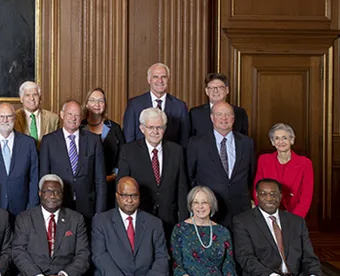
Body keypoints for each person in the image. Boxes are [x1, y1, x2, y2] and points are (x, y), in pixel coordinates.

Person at [118, 107, 188, 236]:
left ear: (165, 128)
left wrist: (184, 222)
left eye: (159, 127)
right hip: (139, 217)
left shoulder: (176, 151)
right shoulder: (129, 151)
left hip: (169, 218)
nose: (155, 132)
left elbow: (182, 189)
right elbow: (122, 187)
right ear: (142, 128)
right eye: (151, 127)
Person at [187, 101, 255, 229]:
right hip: (210, 210)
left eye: (227, 114)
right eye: (219, 114)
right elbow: (191, 176)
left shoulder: (247, 143)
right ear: (212, 118)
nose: (224, 118)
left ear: (233, 118)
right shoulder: (196, 143)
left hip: (240, 209)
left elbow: (250, 174)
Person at [39, 100, 106, 221]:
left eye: (77, 115)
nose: (73, 118)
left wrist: (100, 212)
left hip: (87, 206)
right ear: (62, 115)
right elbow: (44, 178)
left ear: (81, 118)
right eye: (70, 114)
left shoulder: (94, 141)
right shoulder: (48, 141)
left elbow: (100, 180)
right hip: (58, 204)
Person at [254, 123, 313, 218]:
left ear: (292, 140)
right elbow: (257, 189)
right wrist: (263, 213)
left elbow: (306, 195)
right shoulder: (264, 160)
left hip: (294, 213)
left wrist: (295, 219)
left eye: (285, 138)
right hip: (268, 212)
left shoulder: (305, 163)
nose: (280, 141)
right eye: (276, 138)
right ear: (272, 142)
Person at [123, 63, 190, 148]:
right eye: (155, 77)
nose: (160, 80)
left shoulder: (180, 106)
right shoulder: (134, 104)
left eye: (164, 77)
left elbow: (184, 140)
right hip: (140, 158)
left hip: (170, 158)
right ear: (149, 80)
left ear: (168, 79)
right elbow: (129, 138)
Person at [81, 88, 124, 209]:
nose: (97, 104)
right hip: (85, 187)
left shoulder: (115, 128)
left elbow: (122, 156)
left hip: (110, 184)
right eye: (93, 100)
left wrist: (112, 176)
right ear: (86, 104)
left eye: (101, 101)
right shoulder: (79, 127)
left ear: (105, 104)